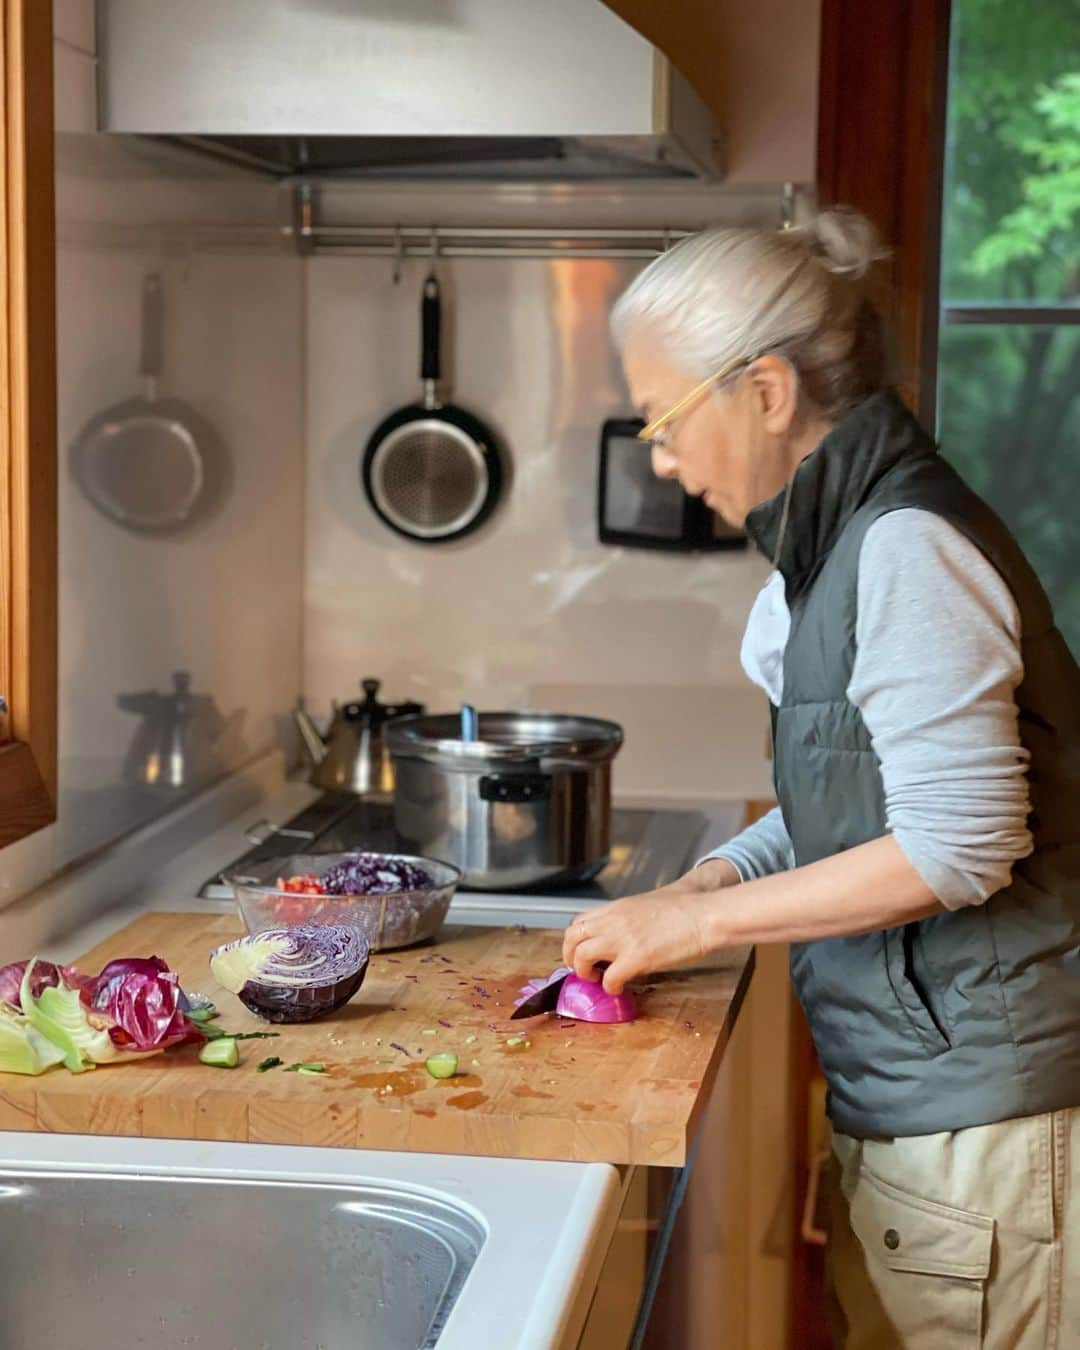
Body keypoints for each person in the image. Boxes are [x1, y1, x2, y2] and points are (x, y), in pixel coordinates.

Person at [563, 207, 1080, 1348]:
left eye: (664, 418)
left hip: (984, 1119)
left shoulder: (904, 550)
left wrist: (706, 932)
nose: (658, 454)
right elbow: (848, 812)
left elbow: (957, 844)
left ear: (764, 392)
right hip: (927, 1105)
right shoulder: (824, 559)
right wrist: (707, 882)